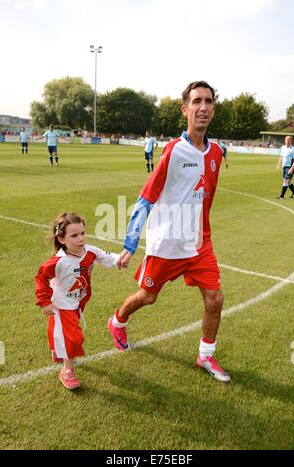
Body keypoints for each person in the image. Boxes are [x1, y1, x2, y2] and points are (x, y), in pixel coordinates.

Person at [107, 81, 231, 383]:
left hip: (199, 242)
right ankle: (118, 320)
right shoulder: (174, 151)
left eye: (209, 101)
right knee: (148, 297)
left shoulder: (216, 151)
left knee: (214, 299)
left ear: (213, 108)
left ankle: (205, 355)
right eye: (196, 101)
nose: (203, 107)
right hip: (167, 242)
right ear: (185, 109)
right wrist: (131, 242)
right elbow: (146, 196)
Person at [35, 212, 122, 390]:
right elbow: (41, 277)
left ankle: (57, 351)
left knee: (59, 327)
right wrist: (44, 302)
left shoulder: (89, 251)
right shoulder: (57, 262)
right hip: (63, 304)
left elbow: (106, 257)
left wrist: (120, 259)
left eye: (82, 233)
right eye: (74, 235)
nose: (80, 238)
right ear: (61, 238)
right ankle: (66, 371)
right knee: (73, 338)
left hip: (79, 301)